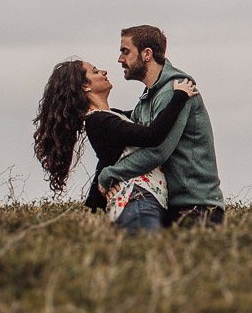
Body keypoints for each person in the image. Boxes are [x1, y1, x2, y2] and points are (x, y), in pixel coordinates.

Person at [32, 59, 198, 232]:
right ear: (84, 86)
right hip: (136, 198)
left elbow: (149, 116)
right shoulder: (99, 121)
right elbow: (152, 135)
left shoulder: (112, 116)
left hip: (145, 199)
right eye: (95, 71)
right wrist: (179, 97)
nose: (104, 72)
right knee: (143, 248)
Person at [97, 24, 226, 227]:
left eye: (125, 51)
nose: (120, 59)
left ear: (147, 54)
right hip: (172, 206)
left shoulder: (174, 91)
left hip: (197, 208)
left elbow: (158, 150)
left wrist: (109, 175)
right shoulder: (148, 98)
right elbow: (132, 126)